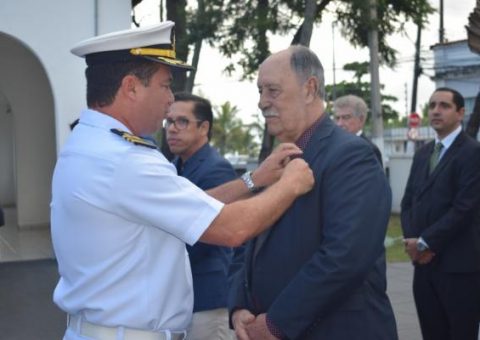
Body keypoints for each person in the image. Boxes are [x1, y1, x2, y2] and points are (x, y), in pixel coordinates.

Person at [51, 21, 314, 340]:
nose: (169, 100)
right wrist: (290, 184)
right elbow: (231, 229)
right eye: (164, 85)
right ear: (131, 87)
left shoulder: (90, 143)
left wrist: (253, 180)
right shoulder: (124, 159)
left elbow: (190, 202)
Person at [228, 45, 397, 340]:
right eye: (259, 91)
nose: (261, 102)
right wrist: (239, 307)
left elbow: (344, 256)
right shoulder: (278, 159)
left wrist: (277, 323)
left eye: (272, 90)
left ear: (310, 89)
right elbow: (248, 242)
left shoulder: (351, 156)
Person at [400, 87, 480, 340]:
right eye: (432, 105)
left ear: (460, 113)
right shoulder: (423, 153)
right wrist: (414, 242)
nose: (435, 110)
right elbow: (408, 202)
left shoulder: (472, 152)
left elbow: (464, 208)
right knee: (431, 332)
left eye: (444, 106)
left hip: (459, 267)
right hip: (424, 267)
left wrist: (427, 242)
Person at [165, 92, 237, 340]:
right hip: (183, 296)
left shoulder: (216, 168)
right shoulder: (173, 166)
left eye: (182, 122)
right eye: (169, 121)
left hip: (208, 298)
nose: (172, 129)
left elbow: (216, 232)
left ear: (204, 127)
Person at [333, 94, 383, 165]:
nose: (339, 124)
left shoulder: (369, 149)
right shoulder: (333, 147)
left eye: (346, 117)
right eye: (337, 118)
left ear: (361, 119)